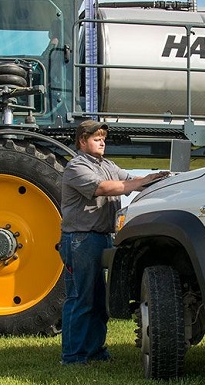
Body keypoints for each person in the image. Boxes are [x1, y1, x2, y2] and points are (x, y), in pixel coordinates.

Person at [58, 119, 169, 365]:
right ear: (82, 141)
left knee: (98, 301)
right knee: (81, 298)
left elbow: (130, 179)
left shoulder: (107, 164)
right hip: (80, 240)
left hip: (101, 238)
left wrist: (159, 179)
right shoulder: (76, 167)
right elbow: (106, 188)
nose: (102, 141)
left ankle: (95, 351)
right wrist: (141, 182)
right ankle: (74, 356)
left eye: (103, 138)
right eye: (96, 138)